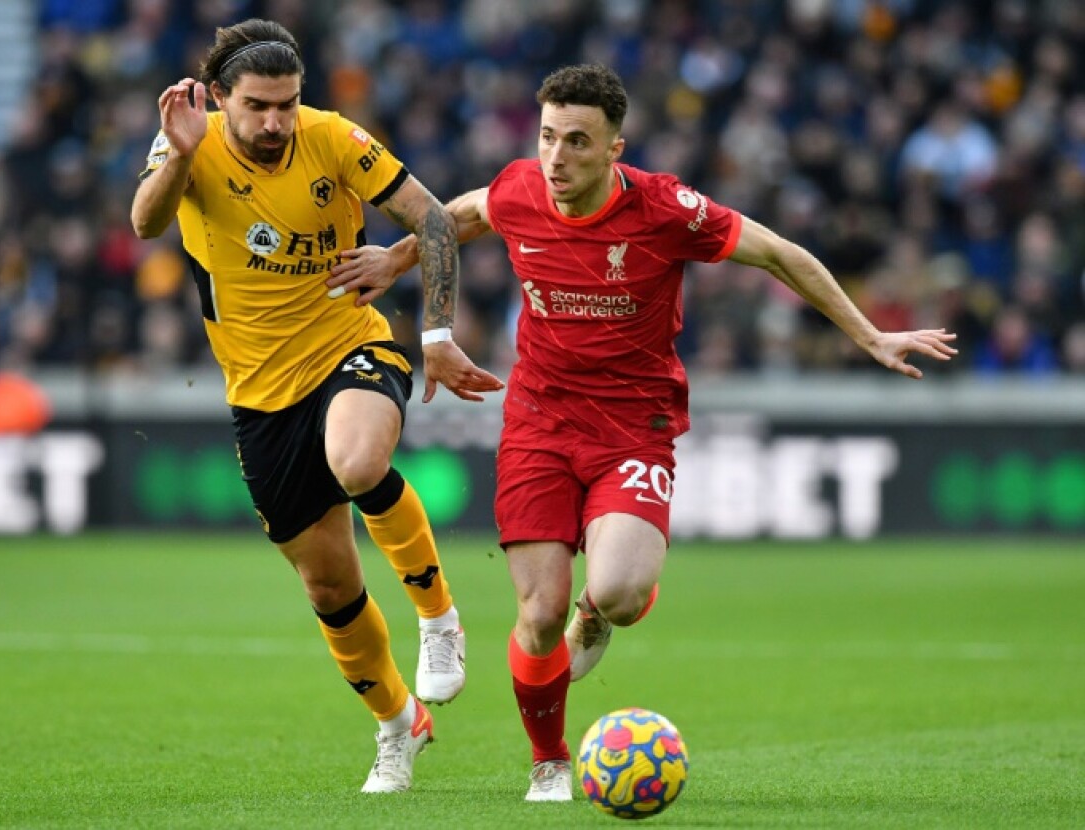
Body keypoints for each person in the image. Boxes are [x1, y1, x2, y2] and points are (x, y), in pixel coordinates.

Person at [325, 63, 958, 801]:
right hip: (539, 421)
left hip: (634, 426)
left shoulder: (667, 211)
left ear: (615, 149)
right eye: (548, 138)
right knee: (537, 613)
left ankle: (602, 614)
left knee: (620, 592)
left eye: (578, 143)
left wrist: (869, 335)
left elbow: (781, 254)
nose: (557, 159)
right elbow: (452, 218)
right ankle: (551, 762)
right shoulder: (519, 189)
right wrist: (395, 260)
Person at [129, 18, 503, 794]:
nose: (275, 123)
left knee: (359, 460)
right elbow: (144, 222)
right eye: (259, 107)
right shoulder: (184, 143)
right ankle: (399, 726)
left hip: (349, 345)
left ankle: (440, 621)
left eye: (287, 105)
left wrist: (434, 330)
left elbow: (434, 218)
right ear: (223, 98)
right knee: (328, 587)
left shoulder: (333, 138)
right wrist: (184, 151)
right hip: (261, 395)